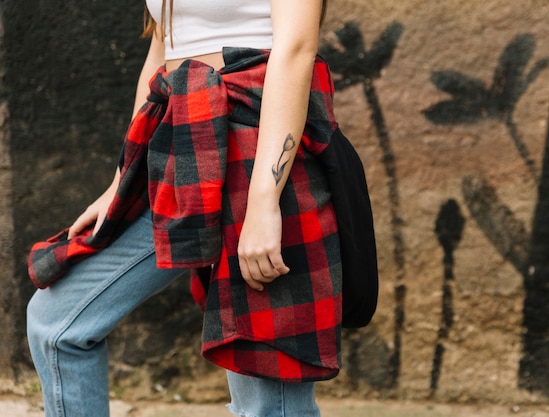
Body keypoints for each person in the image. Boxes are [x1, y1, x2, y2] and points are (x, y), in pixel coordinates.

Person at [26, 0, 344, 416]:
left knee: (267, 389)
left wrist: (264, 202)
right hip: (180, 143)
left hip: (258, 148)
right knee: (58, 322)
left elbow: (296, 48)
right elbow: (162, 52)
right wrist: (121, 178)